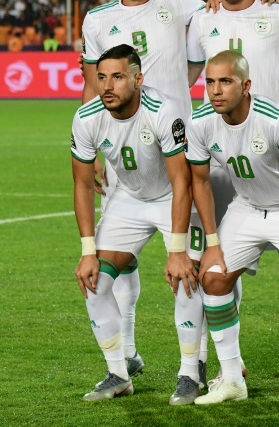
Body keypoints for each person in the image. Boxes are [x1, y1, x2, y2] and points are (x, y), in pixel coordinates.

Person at [185, 0, 279, 394]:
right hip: (229, 162)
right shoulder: (203, 19)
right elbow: (186, 75)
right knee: (215, 267)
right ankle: (227, 370)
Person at [79, 0, 204, 383]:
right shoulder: (97, 19)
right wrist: (94, 149)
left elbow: (224, 8)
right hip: (123, 160)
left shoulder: (179, 2)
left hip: (177, 154)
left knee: (199, 266)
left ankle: (200, 361)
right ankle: (127, 354)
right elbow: (91, 83)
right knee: (121, 261)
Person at [187, 51, 279, 409]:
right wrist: (212, 242)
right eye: (210, 82)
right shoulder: (200, 121)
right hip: (247, 206)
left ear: (246, 85)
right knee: (213, 277)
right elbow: (199, 181)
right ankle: (232, 378)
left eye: (226, 81)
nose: (216, 90)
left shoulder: (275, 119)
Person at [72, 44, 200, 404]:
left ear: (138, 79)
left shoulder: (163, 110)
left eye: (117, 77)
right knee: (93, 280)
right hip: (128, 200)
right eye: (101, 77)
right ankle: (119, 374)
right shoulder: (87, 117)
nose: (107, 86)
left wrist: (177, 250)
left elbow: (182, 182)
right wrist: (87, 251)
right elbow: (81, 184)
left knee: (187, 278)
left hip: (172, 197)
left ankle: (190, 374)